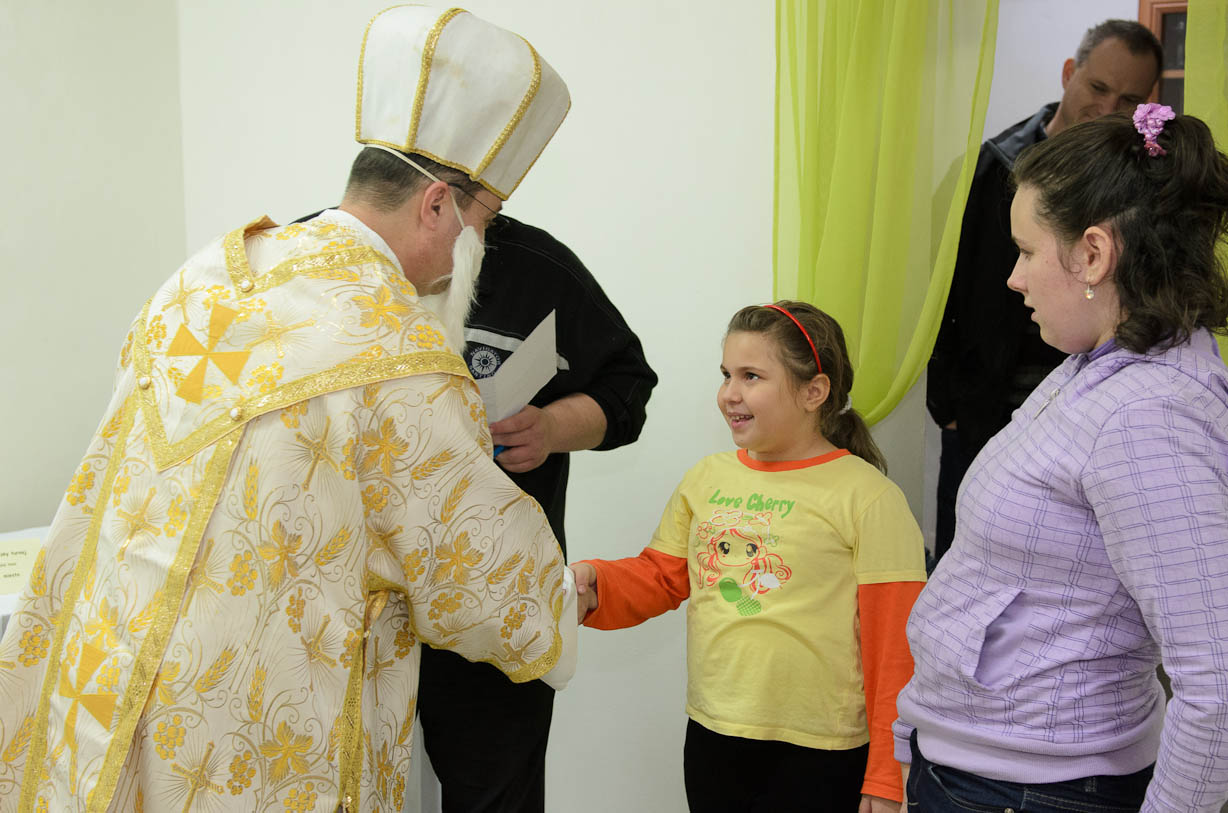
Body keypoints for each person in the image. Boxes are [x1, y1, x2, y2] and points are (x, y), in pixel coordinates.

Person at [0, 7, 577, 812]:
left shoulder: (201, 279)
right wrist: (569, 592)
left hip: (109, 680)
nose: (468, 251)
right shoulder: (403, 357)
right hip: (247, 730)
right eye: (479, 223)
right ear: (436, 206)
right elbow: (486, 580)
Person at [896, 106, 1228, 811]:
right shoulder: (1094, 366)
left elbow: (1217, 685)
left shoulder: (1147, 416)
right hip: (989, 770)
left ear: (1094, 255)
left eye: (1026, 250)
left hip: (1031, 790)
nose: (1013, 278)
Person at [572, 301, 927, 812]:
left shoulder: (868, 497)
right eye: (726, 375)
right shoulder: (707, 478)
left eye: (751, 376)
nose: (729, 394)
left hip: (823, 752)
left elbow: (895, 647)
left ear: (814, 392)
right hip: (715, 736)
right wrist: (595, 585)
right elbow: (660, 577)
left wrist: (887, 776)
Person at [416, 216, 657, 811]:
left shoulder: (535, 265)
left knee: (495, 795)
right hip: (351, 605)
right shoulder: (312, 264)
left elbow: (627, 388)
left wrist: (550, 427)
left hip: (496, 596)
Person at [926, 19, 1162, 563]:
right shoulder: (994, 166)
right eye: (1098, 87)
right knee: (969, 556)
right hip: (987, 403)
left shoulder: (1141, 186)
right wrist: (947, 403)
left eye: (1129, 99)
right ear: (1068, 73)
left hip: (1085, 403)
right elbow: (944, 291)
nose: (1108, 108)